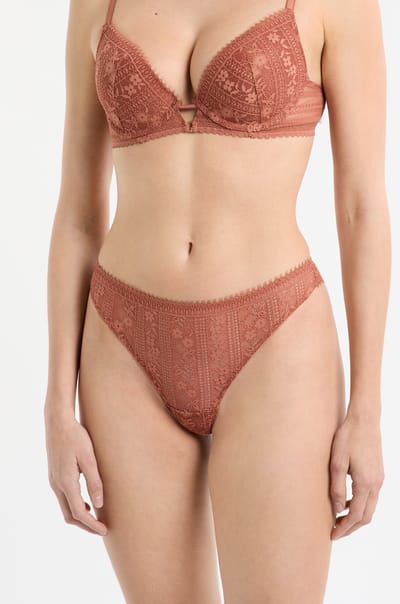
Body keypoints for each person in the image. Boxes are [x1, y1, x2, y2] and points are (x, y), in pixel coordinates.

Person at [44, 0, 390, 602]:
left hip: (275, 340)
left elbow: (362, 208)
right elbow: (77, 212)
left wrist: (367, 409)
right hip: (123, 347)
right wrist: (56, 403)